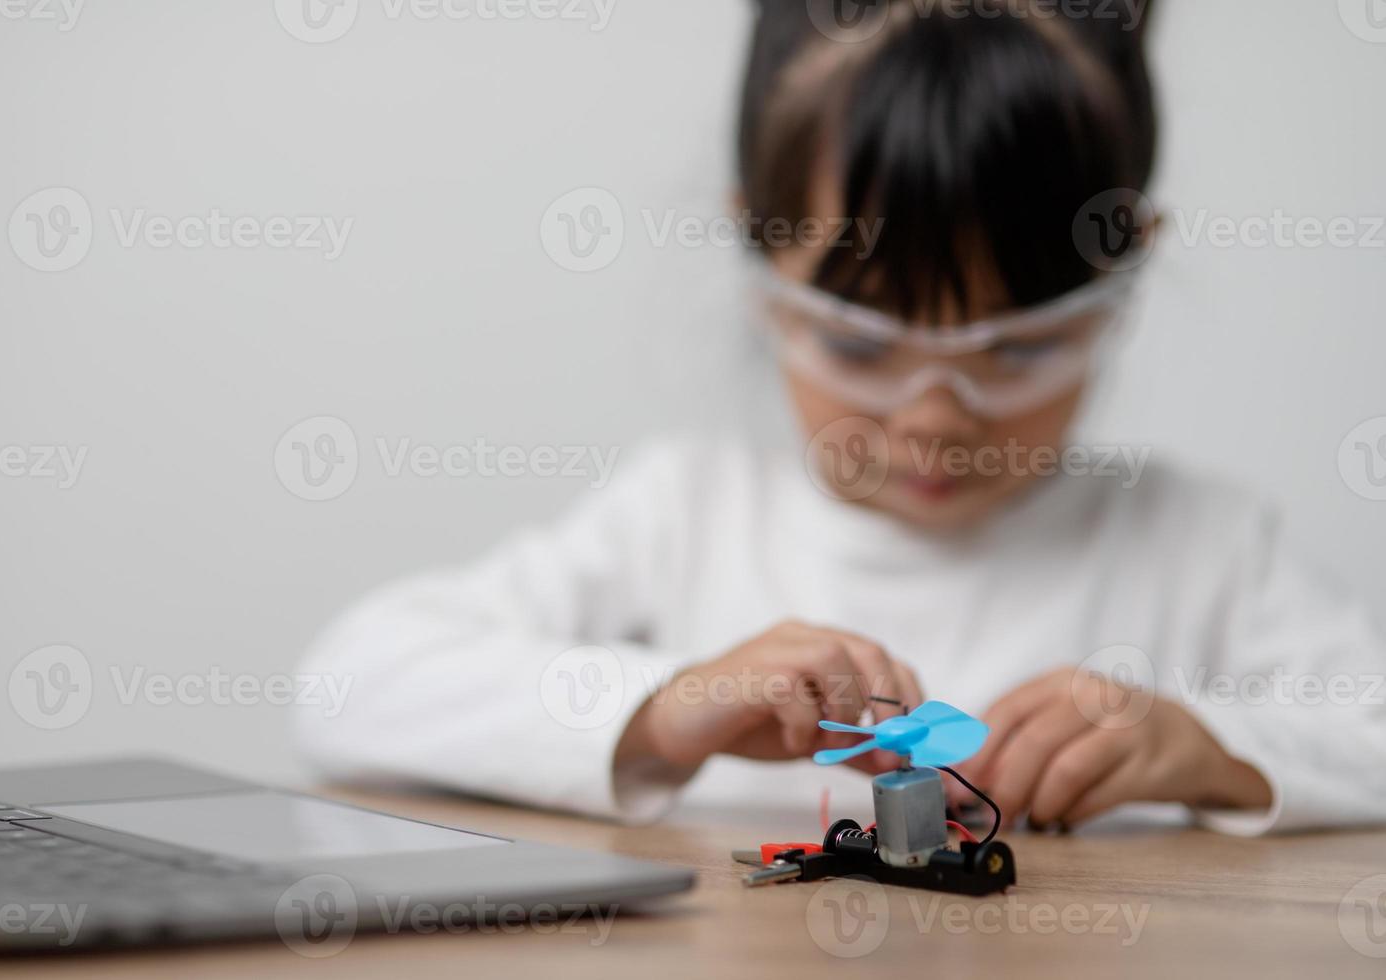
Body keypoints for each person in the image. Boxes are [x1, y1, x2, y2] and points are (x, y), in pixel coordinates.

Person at [295, 0, 1386, 835]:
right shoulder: (681, 514)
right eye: (862, 345)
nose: (931, 420)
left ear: (1126, 267)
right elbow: (351, 683)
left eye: (1017, 348)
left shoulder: (1203, 547)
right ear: (762, 260)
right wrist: (666, 706)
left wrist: (1218, 751)